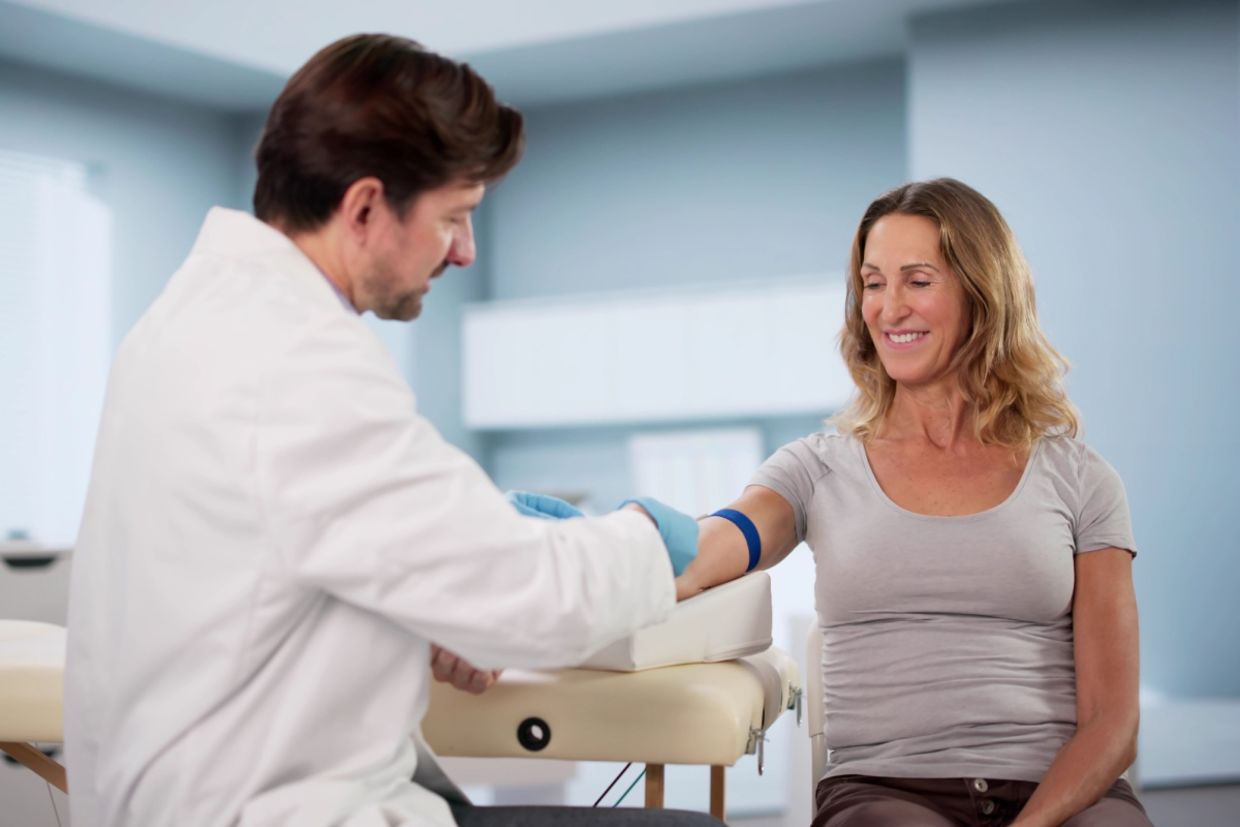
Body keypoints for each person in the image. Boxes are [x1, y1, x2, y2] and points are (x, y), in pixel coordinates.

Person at [63, 33, 719, 827]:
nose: (466, 252)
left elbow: (265, 580)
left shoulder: (186, 321)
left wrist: (432, 606)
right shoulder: (297, 359)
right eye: (455, 217)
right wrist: (652, 534)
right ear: (367, 207)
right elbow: (537, 599)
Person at [518, 178, 1150, 826]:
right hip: (891, 794)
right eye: (874, 283)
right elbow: (713, 545)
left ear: (982, 294)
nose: (889, 307)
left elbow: (1112, 720)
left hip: (1059, 791)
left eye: (918, 280)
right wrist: (593, 544)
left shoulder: (1080, 479)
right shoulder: (817, 466)